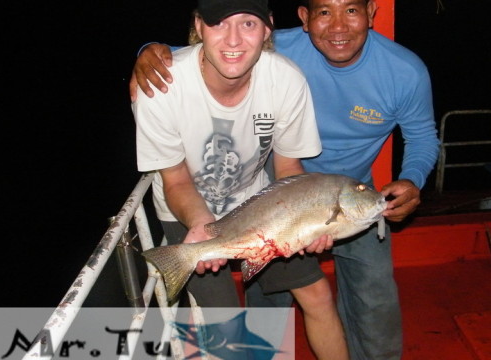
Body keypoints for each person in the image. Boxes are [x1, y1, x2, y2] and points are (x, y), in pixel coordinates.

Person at [131, 0, 440, 358]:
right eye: (325, 12)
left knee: (359, 297)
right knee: (238, 318)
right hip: (225, 202)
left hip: (329, 192)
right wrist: (150, 52)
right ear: (304, 18)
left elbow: (419, 137)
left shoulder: (398, 71)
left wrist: (411, 179)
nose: (338, 26)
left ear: (372, 13)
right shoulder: (179, 78)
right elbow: (178, 177)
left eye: (351, 10)